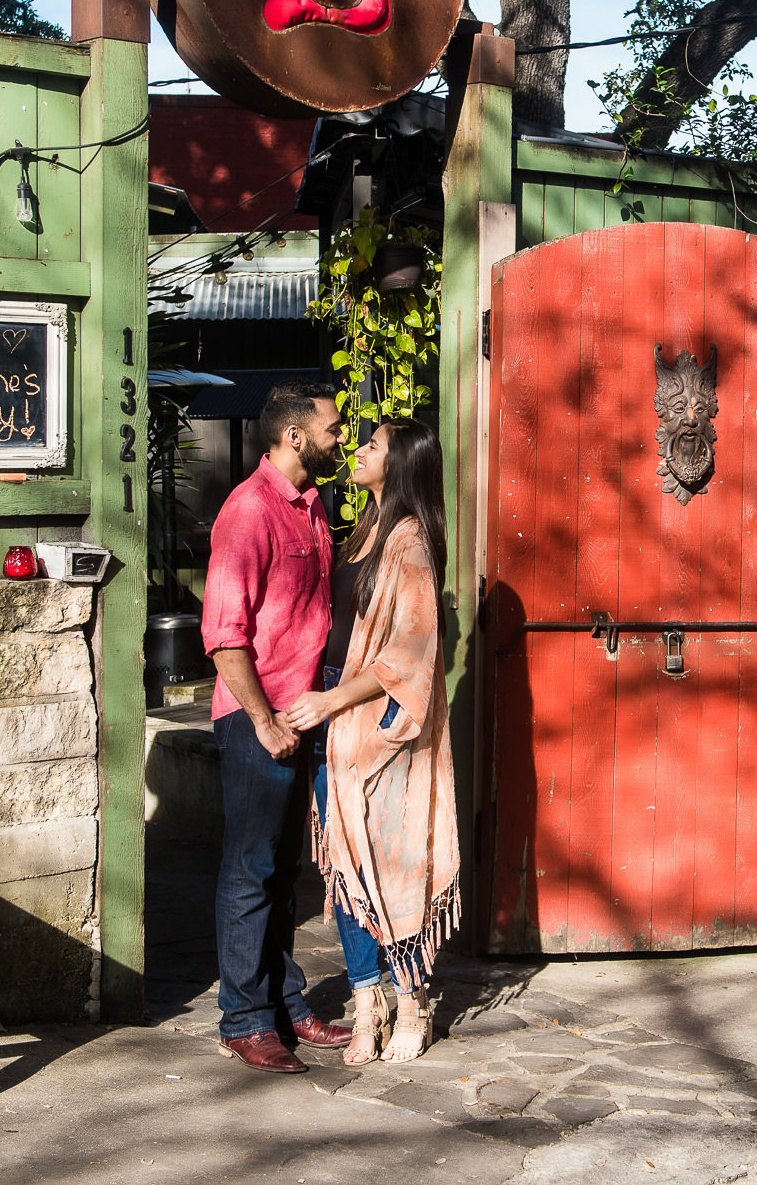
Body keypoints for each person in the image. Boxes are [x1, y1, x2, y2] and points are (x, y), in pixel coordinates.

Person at [285, 420, 459, 1066]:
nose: (358, 450)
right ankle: (367, 999)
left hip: (380, 715)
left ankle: (411, 998)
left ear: (402, 463)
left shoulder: (410, 542)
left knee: (394, 862)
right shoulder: (362, 529)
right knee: (347, 859)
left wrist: (333, 700)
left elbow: (408, 654)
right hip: (337, 704)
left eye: (373, 445)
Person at [198, 379, 356, 1075]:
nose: (342, 436)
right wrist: (262, 720)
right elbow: (223, 634)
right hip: (259, 718)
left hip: (303, 712)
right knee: (250, 869)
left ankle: (286, 1003)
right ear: (294, 436)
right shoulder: (248, 511)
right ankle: (244, 1017)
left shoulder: (313, 506)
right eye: (333, 426)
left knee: (282, 871)